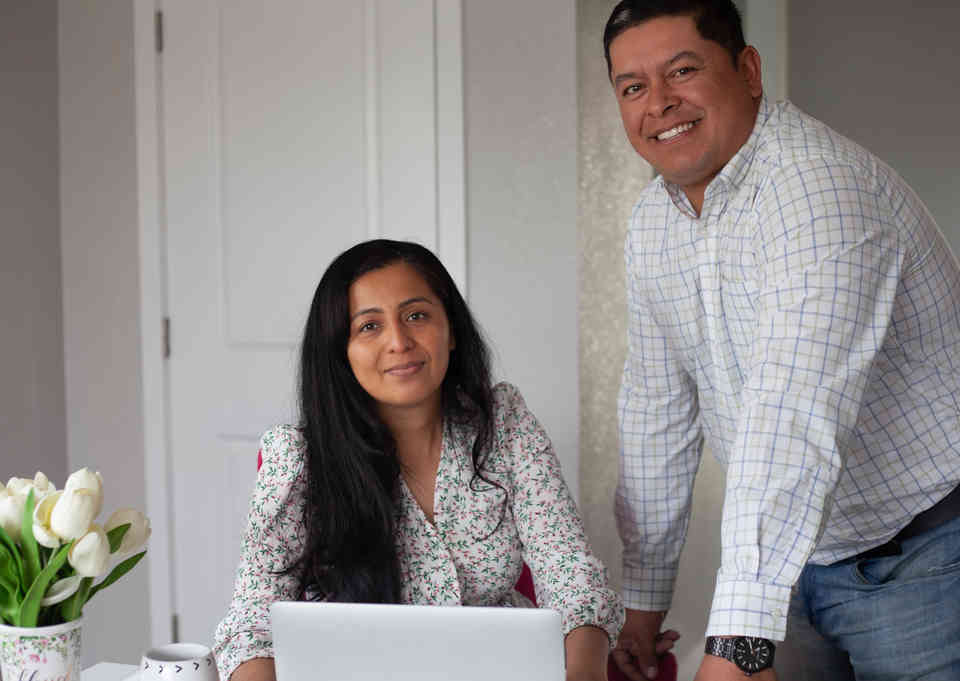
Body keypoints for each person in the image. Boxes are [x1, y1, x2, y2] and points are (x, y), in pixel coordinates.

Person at [602, 1, 960, 680]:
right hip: (797, 562)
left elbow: (790, 415)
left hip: (928, 558)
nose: (659, 103)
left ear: (748, 70)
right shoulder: (654, 222)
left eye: (683, 70)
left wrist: (738, 643)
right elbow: (657, 410)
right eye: (633, 87)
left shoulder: (818, 189)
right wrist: (643, 602)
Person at [213, 239, 626, 681]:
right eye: (369, 326)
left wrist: (584, 672)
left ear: (451, 330)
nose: (399, 342)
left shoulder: (504, 423)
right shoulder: (298, 457)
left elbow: (570, 572)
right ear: (340, 352)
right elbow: (252, 621)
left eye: (416, 316)